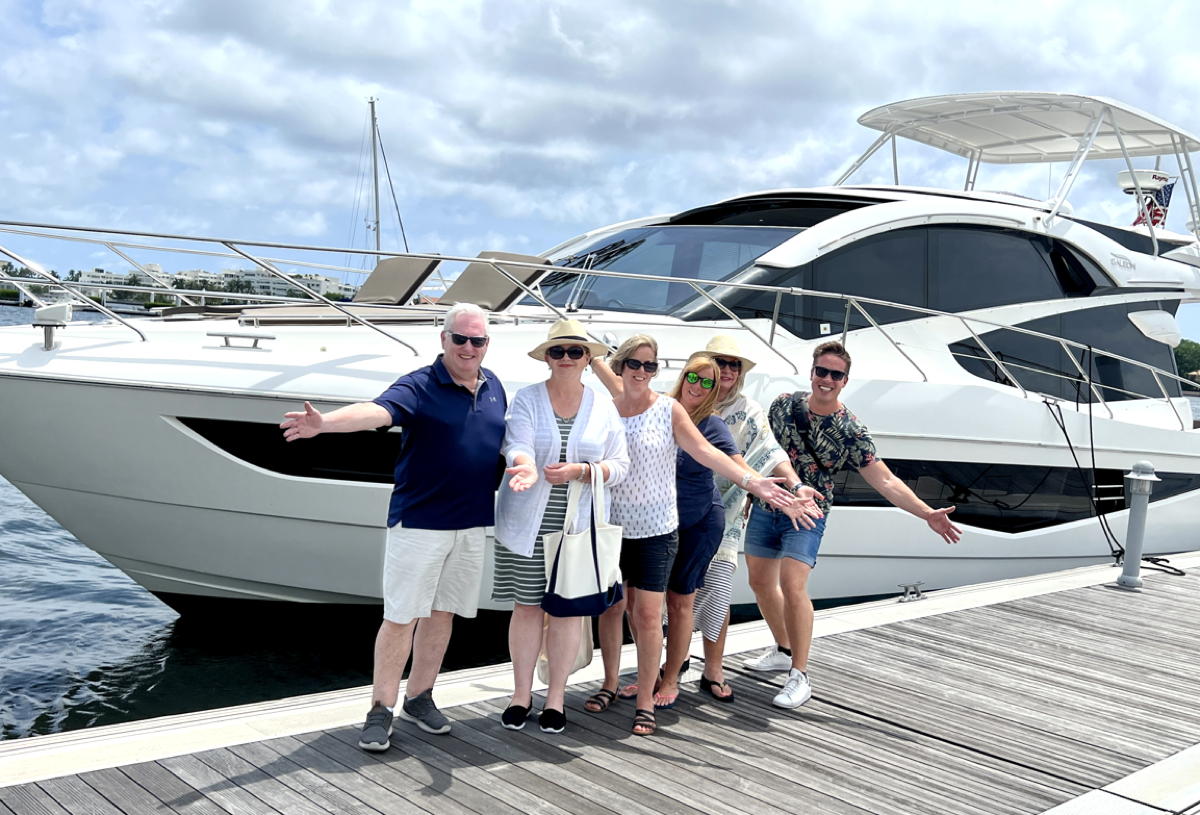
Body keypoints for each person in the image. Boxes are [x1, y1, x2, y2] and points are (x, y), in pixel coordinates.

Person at [279, 302, 506, 752]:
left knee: (443, 615)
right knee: (401, 617)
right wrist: (324, 424)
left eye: (476, 340)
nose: (467, 347)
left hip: (471, 523)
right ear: (443, 339)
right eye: (459, 338)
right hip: (419, 523)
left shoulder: (494, 385)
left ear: (486, 344)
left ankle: (420, 698)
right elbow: (377, 412)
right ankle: (380, 708)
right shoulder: (420, 385)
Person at [586, 335, 800, 736]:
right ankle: (610, 683)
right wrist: (587, 353)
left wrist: (755, 484)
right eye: (635, 364)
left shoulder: (672, 412)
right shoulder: (608, 409)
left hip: (664, 527)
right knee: (614, 608)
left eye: (650, 366)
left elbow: (712, 454)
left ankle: (653, 695)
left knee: (656, 612)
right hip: (613, 527)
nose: (642, 372)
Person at [744, 340, 962, 710]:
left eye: (835, 374)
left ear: (845, 381)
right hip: (770, 505)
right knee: (760, 582)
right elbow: (765, 451)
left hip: (810, 512)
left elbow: (886, 480)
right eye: (821, 371)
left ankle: (800, 675)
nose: (826, 379)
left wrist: (927, 513)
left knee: (792, 584)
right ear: (812, 372)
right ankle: (783, 649)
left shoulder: (850, 430)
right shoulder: (783, 405)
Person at [492, 319, 629, 735]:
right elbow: (515, 442)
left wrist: (582, 471)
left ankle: (555, 699)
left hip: (577, 526)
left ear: (588, 358)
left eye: (575, 352)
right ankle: (520, 694)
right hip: (525, 523)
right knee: (527, 607)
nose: (566, 358)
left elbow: (620, 466)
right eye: (558, 351)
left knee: (568, 613)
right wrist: (525, 465)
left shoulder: (604, 406)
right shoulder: (529, 398)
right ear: (547, 357)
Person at [688, 335, 811, 703]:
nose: (726, 371)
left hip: (724, 512)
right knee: (677, 593)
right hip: (679, 511)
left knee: (719, 590)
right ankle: (674, 661)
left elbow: (769, 451)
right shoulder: (686, 401)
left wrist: (795, 484)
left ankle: (713, 667)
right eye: (720, 362)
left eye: (733, 365)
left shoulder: (748, 410)